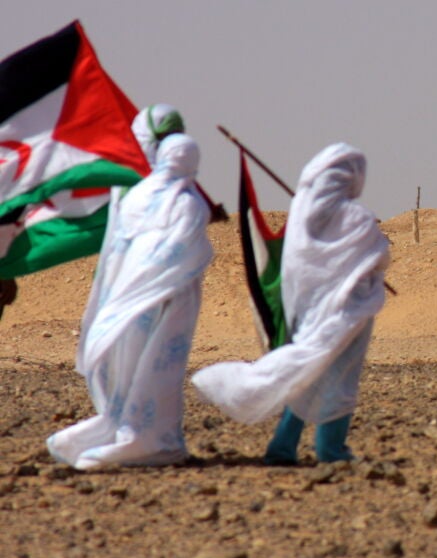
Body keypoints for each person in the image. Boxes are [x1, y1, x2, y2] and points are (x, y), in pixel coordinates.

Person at [192, 143, 390, 465]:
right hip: (349, 311)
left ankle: (282, 447)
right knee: (340, 378)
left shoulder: (299, 212)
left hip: (307, 311)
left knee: (304, 377)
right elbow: (379, 256)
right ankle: (331, 449)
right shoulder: (355, 217)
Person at [46, 134, 213, 470]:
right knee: (159, 373)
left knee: (131, 369)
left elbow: (118, 248)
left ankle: (145, 436)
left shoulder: (138, 194)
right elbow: (187, 252)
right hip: (168, 299)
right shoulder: (189, 203)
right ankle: (149, 440)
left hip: (127, 295)